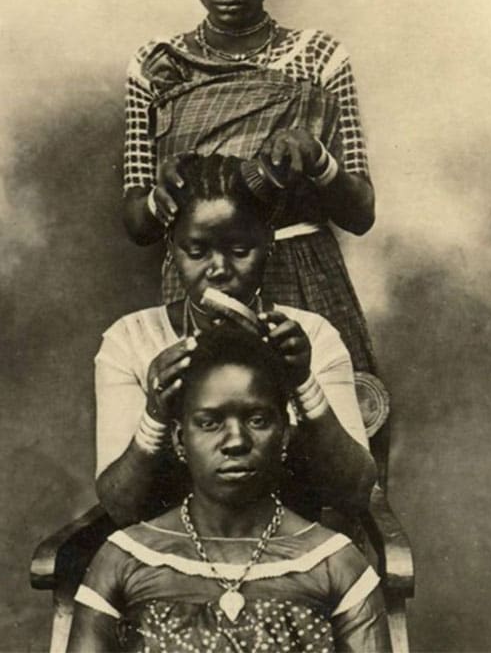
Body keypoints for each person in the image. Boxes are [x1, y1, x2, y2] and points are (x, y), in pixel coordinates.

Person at [120, 0, 377, 374]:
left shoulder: (319, 57)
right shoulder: (156, 66)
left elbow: (361, 213)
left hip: (302, 278)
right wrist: (160, 195)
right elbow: (137, 224)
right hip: (201, 284)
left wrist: (317, 160)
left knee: (320, 432)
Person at [69, 326, 392, 652]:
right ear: (181, 440)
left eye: (257, 420)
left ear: (283, 436)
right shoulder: (123, 559)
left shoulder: (334, 564)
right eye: (210, 422)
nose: (236, 441)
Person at [96, 153, 375, 528]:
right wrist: (156, 413)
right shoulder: (130, 340)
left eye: (241, 251)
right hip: (171, 560)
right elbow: (120, 507)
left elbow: (354, 495)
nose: (218, 271)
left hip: (287, 552)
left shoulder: (313, 336)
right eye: (196, 252)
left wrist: (303, 383)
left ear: (270, 244)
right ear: (172, 249)